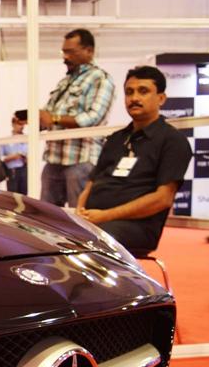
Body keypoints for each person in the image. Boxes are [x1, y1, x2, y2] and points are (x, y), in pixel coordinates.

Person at [76, 66, 192, 254]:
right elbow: (91, 183)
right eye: (129, 92)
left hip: (136, 227)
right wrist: (80, 211)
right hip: (96, 220)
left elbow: (163, 199)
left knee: (92, 239)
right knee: (50, 236)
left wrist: (104, 216)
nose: (134, 98)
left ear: (161, 98)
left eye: (143, 91)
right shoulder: (116, 139)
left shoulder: (172, 141)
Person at [39, 28, 115, 205]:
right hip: (54, 159)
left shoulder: (100, 79)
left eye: (70, 52)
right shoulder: (65, 82)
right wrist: (39, 119)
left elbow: (93, 117)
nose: (65, 57)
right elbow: (49, 114)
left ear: (89, 51)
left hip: (81, 161)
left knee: (79, 216)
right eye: (63, 52)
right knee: (45, 217)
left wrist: (55, 118)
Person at [0, 109, 29, 195]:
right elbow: (1, 157)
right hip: (11, 170)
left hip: (23, 169)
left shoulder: (26, 138)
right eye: (19, 124)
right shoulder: (6, 139)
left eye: (22, 124)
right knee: (12, 194)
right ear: (13, 124)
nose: (21, 126)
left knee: (24, 195)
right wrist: (13, 156)